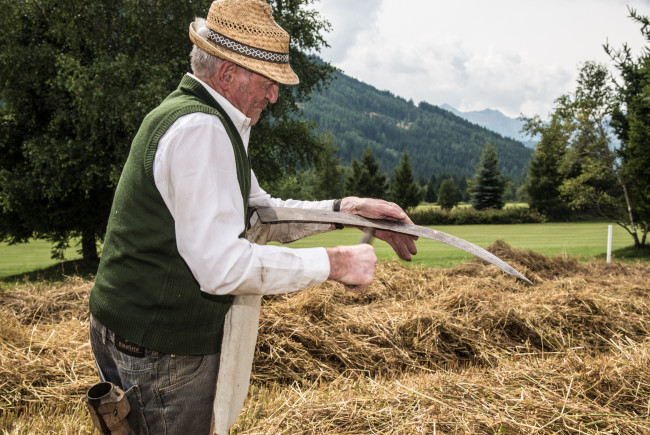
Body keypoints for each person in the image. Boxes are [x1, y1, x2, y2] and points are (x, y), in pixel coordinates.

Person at [88, 0, 417, 433]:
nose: (275, 95)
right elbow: (222, 268)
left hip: (136, 334)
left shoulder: (201, 119)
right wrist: (334, 263)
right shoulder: (201, 130)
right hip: (162, 351)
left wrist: (348, 211)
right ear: (228, 74)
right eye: (268, 81)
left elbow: (260, 211)